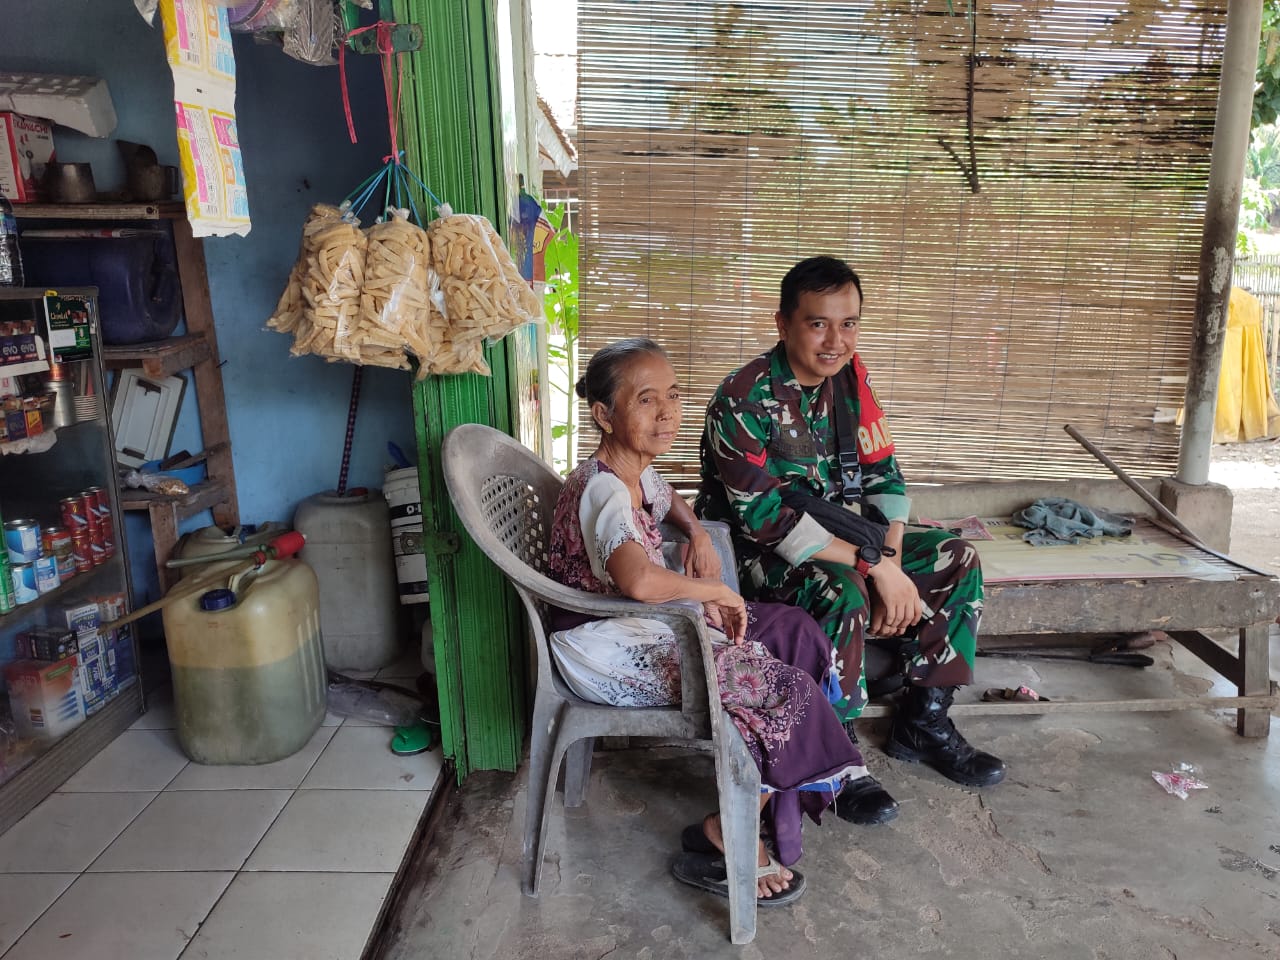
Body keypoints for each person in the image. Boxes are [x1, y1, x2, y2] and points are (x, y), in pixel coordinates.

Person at [547, 337, 867, 908]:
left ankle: (767, 802)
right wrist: (712, 592)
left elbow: (666, 496)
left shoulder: (632, 472)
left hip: (643, 623)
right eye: (646, 400)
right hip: (605, 641)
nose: (666, 413)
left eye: (672, 396)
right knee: (783, 690)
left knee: (795, 632)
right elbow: (638, 582)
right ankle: (731, 826)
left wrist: (695, 533)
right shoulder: (604, 490)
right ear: (604, 415)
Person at [695, 256, 1007, 825]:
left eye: (849, 324)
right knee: (842, 588)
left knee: (956, 557)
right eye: (818, 324)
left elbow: (884, 476)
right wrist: (875, 568)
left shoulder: (850, 380)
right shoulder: (743, 399)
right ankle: (838, 758)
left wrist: (891, 559)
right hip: (754, 553)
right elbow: (764, 520)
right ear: (784, 324)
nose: (835, 341)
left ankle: (924, 721)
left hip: (840, 536)